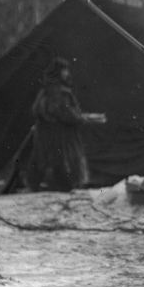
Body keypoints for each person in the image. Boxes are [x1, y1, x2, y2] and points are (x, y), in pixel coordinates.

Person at [24, 58, 106, 192]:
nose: (67, 73)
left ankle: (40, 184)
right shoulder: (61, 92)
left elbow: (36, 110)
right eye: (64, 70)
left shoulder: (45, 90)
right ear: (59, 72)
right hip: (61, 134)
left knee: (44, 159)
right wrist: (84, 118)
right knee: (64, 159)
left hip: (45, 132)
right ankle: (63, 185)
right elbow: (67, 114)